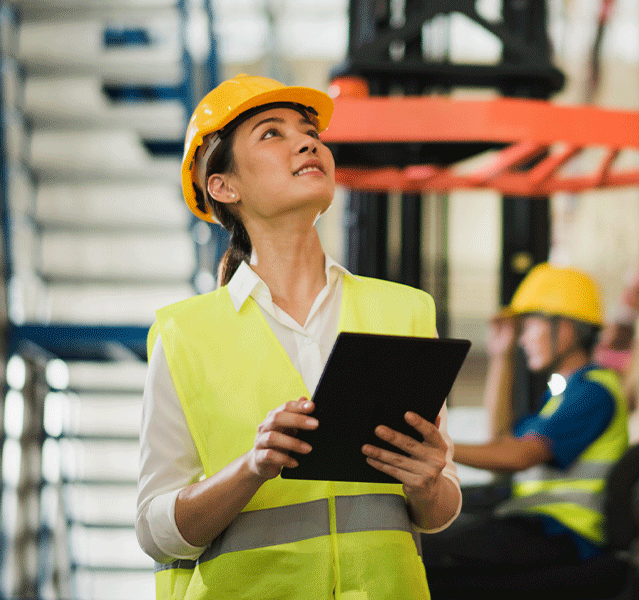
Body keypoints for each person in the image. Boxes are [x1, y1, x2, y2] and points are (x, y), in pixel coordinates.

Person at [135, 74, 461, 600]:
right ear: (224, 186)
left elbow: (441, 510)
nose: (308, 144)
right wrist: (252, 468)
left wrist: (427, 484)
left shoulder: (404, 311)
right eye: (272, 133)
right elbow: (155, 533)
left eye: (311, 133)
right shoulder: (185, 335)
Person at [420, 263, 629, 596]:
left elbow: (518, 456)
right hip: (539, 524)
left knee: (427, 555)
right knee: (429, 550)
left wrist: (435, 446)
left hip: (563, 533)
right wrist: (501, 357)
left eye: (529, 326)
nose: (523, 339)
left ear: (565, 330)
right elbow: (501, 440)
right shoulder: (560, 396)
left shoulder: (593, 392)